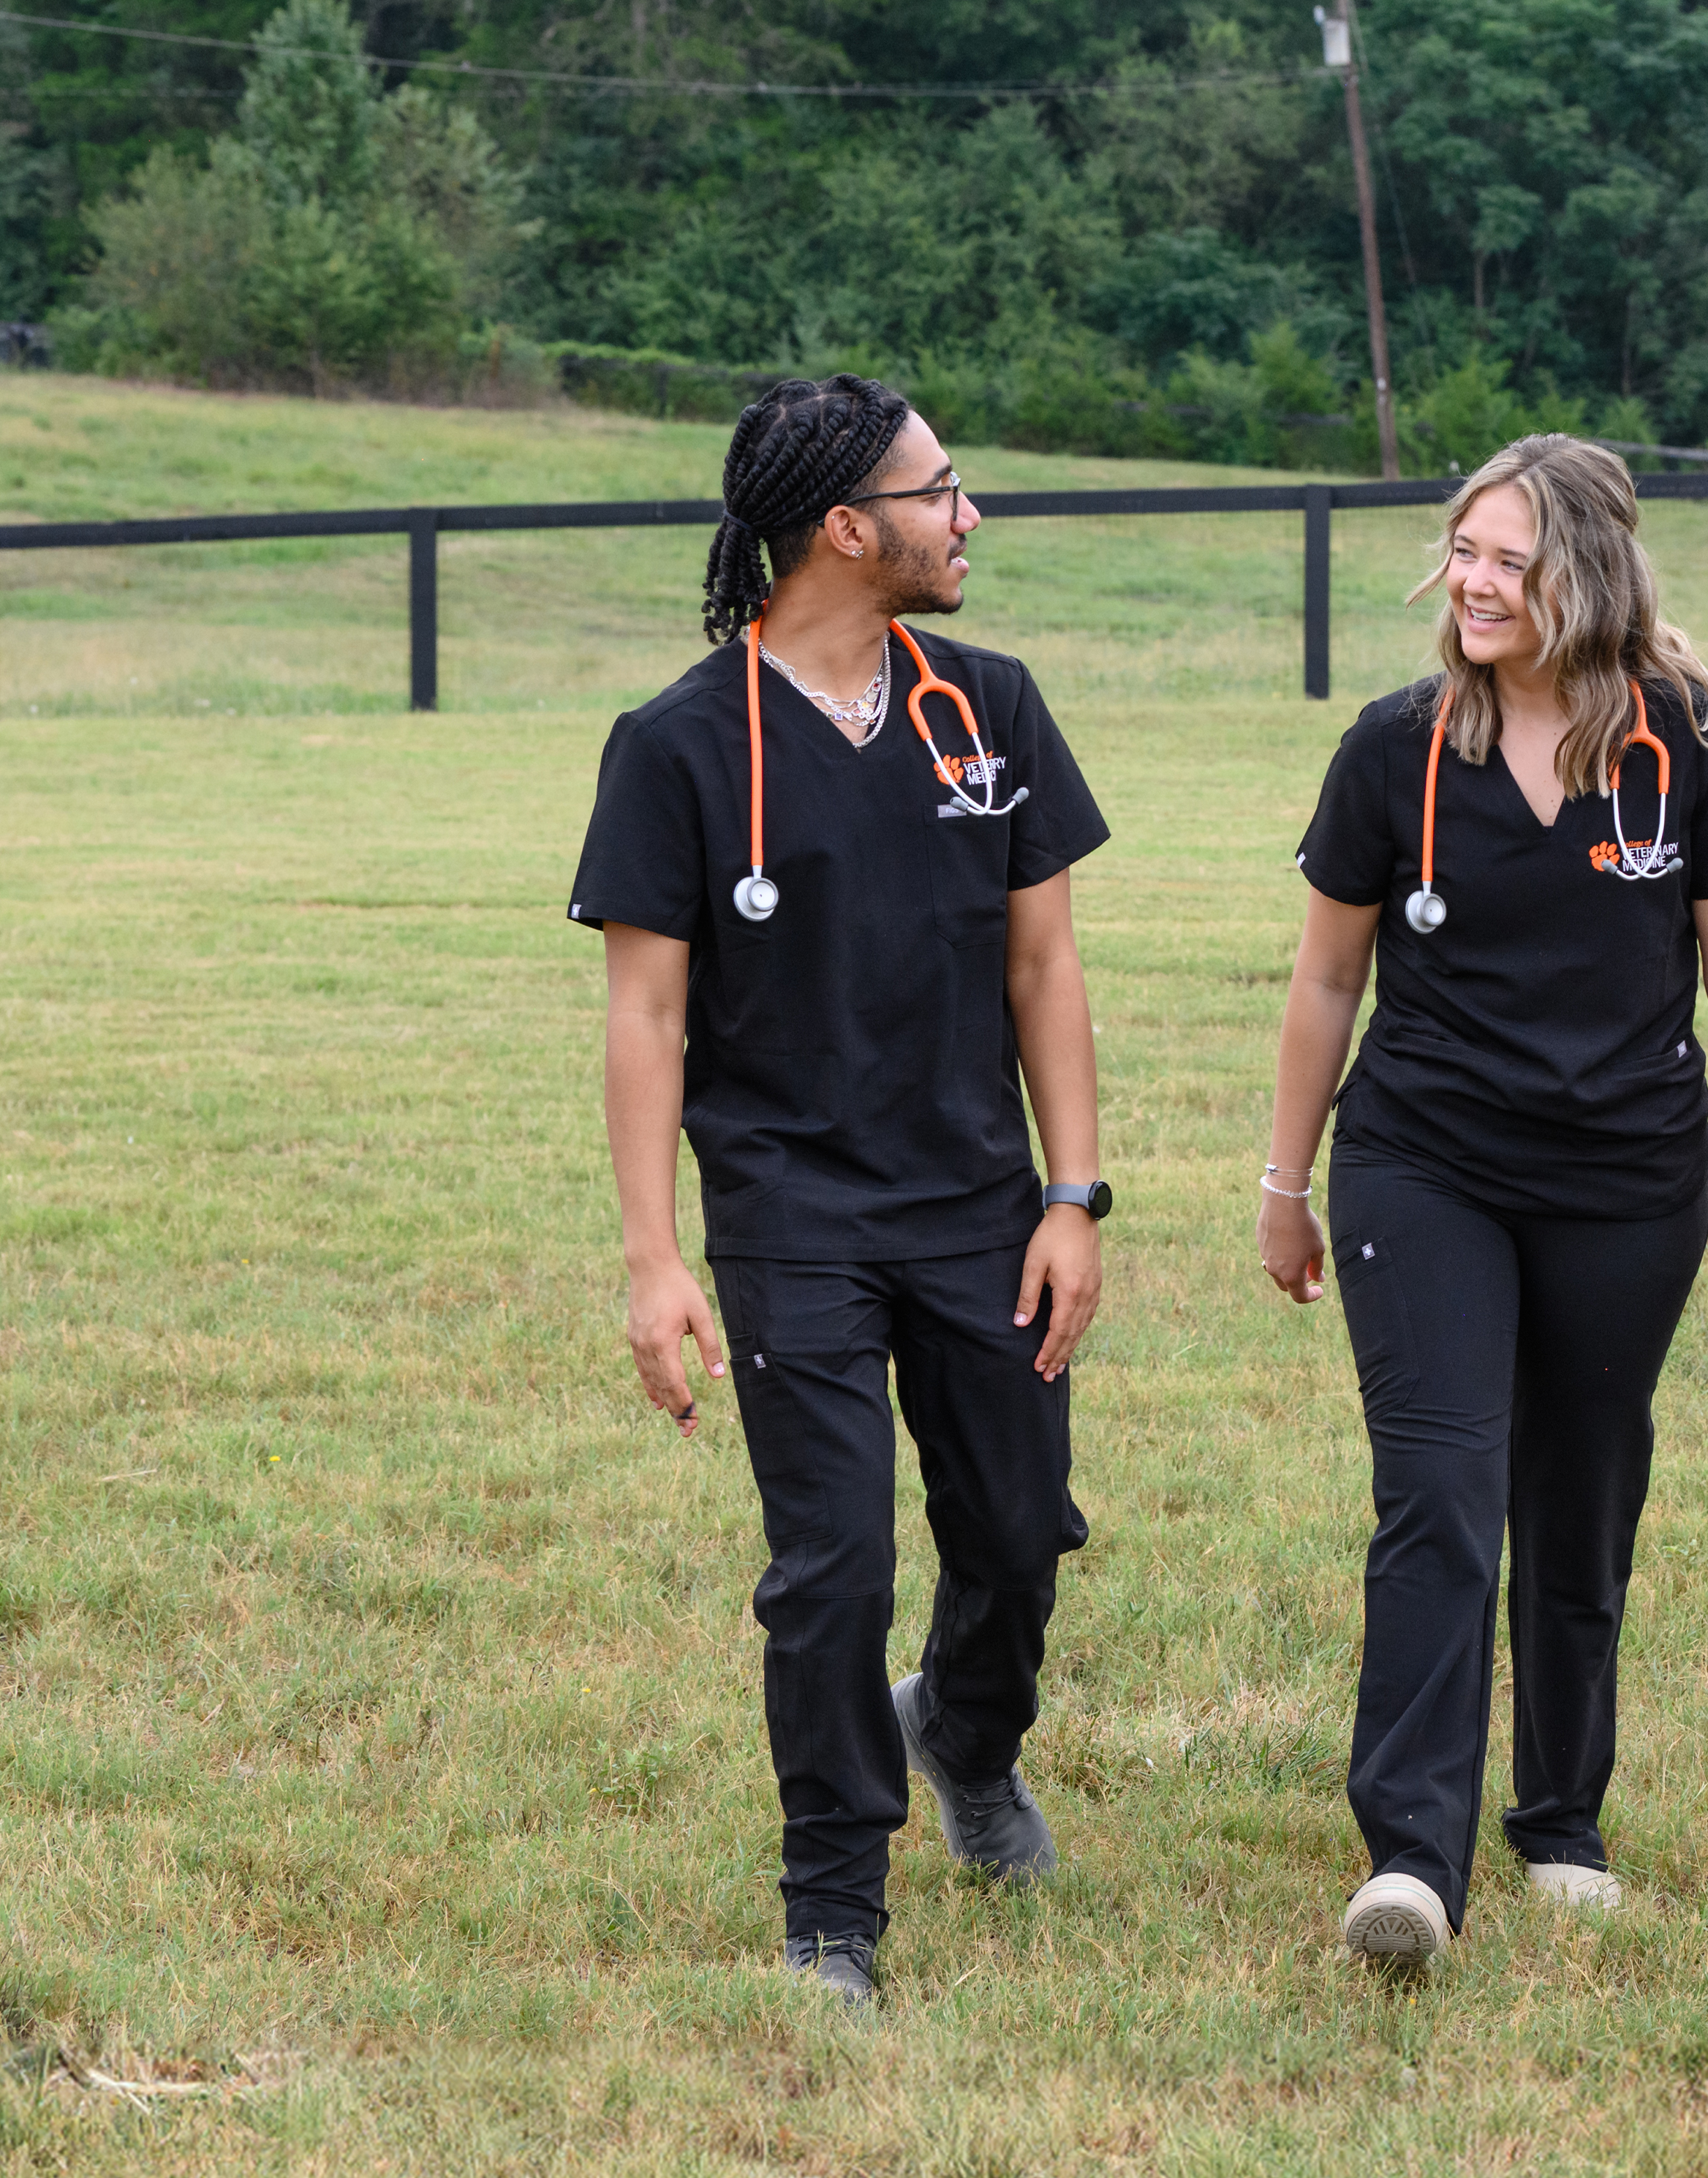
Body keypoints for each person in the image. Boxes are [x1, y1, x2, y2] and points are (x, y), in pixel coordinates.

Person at [564, 374, 1115, 2013]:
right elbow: (645, 1017)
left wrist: (1073, 1194)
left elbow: (1046, 964)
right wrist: (656, 1259)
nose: (967, 515)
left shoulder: (992, 709)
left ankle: (964, 1732)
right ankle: (833, 1916)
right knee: (832, 1568)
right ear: (842, 526)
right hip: (791, 1216)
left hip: (979, 1207)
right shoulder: (675, 745)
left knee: (1018, 1534)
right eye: (939, 489)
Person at [1256, 434, 1708, 1970]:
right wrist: (1282, 1183)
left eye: (1509, 558)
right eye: (1464, 552)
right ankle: (1413, 1858)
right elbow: (1325, 979)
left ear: (1585, 573)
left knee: (1583, 1490)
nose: (1473, 581)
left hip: (1628, 1182)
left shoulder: (1691, 742)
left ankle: (1561, 1821)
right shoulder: (1392, 749)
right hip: (1422, 1160)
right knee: (1441, 1487)